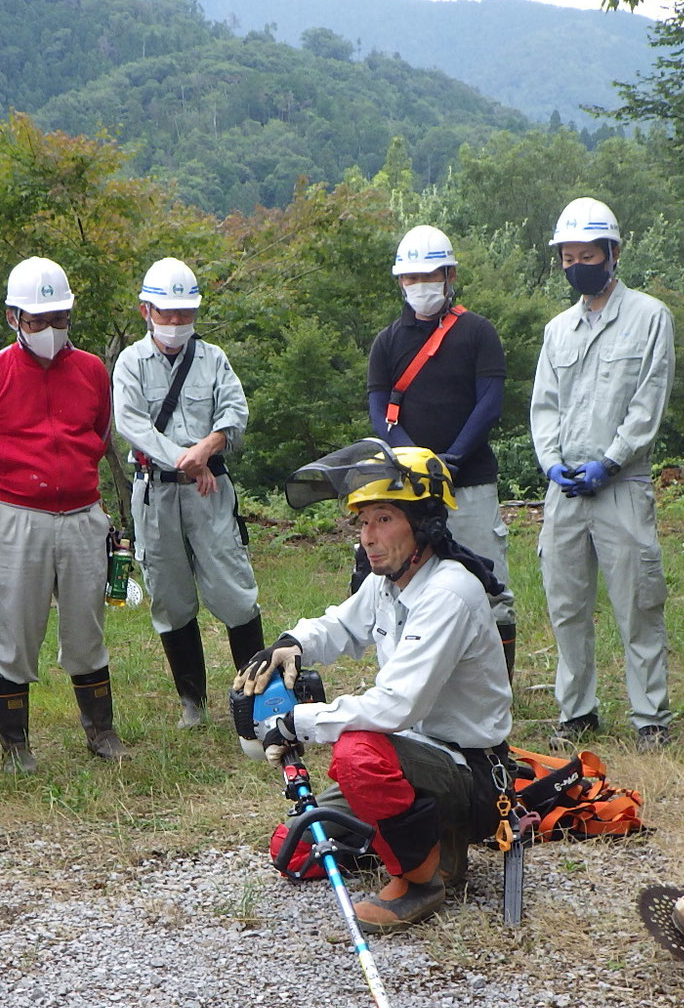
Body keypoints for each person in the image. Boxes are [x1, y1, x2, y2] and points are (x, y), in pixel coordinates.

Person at [237, 442, 511, 934]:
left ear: (425, 522)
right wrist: (292, 642)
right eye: (363, 521)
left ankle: (421, 879)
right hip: (413, 754)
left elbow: (396, 706)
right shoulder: (389, 580)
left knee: (357, 755)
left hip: (463, 770)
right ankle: (409, 838)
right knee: (294, 846)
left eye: (383, 519)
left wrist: (294, 721)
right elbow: (340, 626)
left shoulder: (448, 592)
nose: (368, 536)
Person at [0, 255, 129, 771]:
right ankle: (15, 746)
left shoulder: (93, 370)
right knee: (17, 630)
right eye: (39, 321)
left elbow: (99, 434)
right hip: (18, 518)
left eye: (60, 319)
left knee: (86, 628)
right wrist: (10, 490)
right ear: (14, 318)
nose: (51, 330)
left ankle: (101, 732)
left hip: (81, 515)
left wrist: (74, 478)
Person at [529, 196, 675, 752]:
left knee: (637, 602)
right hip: (564, 491)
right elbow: (544, 407)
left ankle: (650, 716)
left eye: (586, 254)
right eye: (567, 258)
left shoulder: (649, 317)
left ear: (613, 252)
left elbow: (648, 401)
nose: (576, 266)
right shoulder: (557, 330)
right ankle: (578, 710)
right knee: (566, 606)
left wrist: (610, 461)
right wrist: (552, 465)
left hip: (622, 484)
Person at [112, 256, 264, 727]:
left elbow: (234, 414)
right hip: (155, 494)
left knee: (234, 590)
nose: (176, 322)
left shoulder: (213, 358)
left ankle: (256, 698)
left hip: (210, 490)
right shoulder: (130, 363)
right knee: (169, 596)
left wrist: (208, 447)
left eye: (185, 313)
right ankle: (192, 704)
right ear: (146, 312)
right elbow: (130, 423)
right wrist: (185, 458)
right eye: (166, 313)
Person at [367, 226, 513, 673]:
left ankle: (496, 688)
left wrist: (451, 458)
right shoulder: (387, 341)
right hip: (409, 489)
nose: (420, 285)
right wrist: (417, 462)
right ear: (400, 282)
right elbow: (380, 408)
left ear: (449, 275)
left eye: (430, 275)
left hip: (469, 482)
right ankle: (414, 681)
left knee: (489, 586)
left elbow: (489, 401)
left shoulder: (477, 332)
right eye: (411, 278)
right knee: (411, 582)